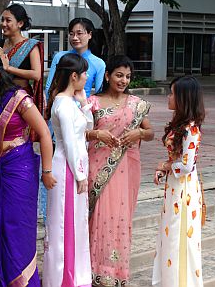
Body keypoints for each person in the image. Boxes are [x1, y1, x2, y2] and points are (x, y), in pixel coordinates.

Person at [0, 52, 56, 287]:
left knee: (14, 225)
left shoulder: (19, 99)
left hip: (18, 169)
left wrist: (46, 172)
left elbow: (45, 135)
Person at [85, 55, 154, 287]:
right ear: (107, 75)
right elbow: (80, 132)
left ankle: (115, 272)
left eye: (127, 76)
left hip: (127, 168)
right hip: (99, 167)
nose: (123, 80)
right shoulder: (92, 102)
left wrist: (140, 133)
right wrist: (96, 134)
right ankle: (93, 271)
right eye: (119, 75)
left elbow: (151, 132)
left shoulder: (136, 104)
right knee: (98, 216)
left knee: (120, 217)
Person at [42, 53, 92, 287]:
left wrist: (83, 102)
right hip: (68, 167)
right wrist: (80, 175)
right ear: (74, 76)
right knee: (65, 224)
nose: (87, 77)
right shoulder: (63, 104)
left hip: (75, 164)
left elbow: (87, 128)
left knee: (77, 223)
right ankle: (64, 277)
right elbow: (71, 143)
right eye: (84, 74)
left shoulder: (70, 103)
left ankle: (76, 275)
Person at [152, 76, 205, 287]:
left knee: (179, 237)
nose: (168, 96)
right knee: (170, 235)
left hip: (184, 192)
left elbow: (186, 165)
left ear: (183, 98)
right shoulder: (180, 125)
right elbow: (177, 159)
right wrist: (164, 168)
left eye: (172, 93)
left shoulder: (191, 129)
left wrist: (164, 166)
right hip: (175, 188)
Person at [0, 4, 44, 115]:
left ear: (20, 23)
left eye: (8, 20)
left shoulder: (30, 46)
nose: (3, 24)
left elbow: (36, 74)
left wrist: (8, 68)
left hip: (21, 97)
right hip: (0, 95)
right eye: (2, 20)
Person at [44, 17, 105, 98]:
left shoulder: (99, 63)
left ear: (90, 35)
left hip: (82, 108)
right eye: (71, 34)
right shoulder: (59, 57)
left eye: (79, 33)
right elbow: (49, 87)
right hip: (59, 107)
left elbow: (99, 94)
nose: (74, 38)